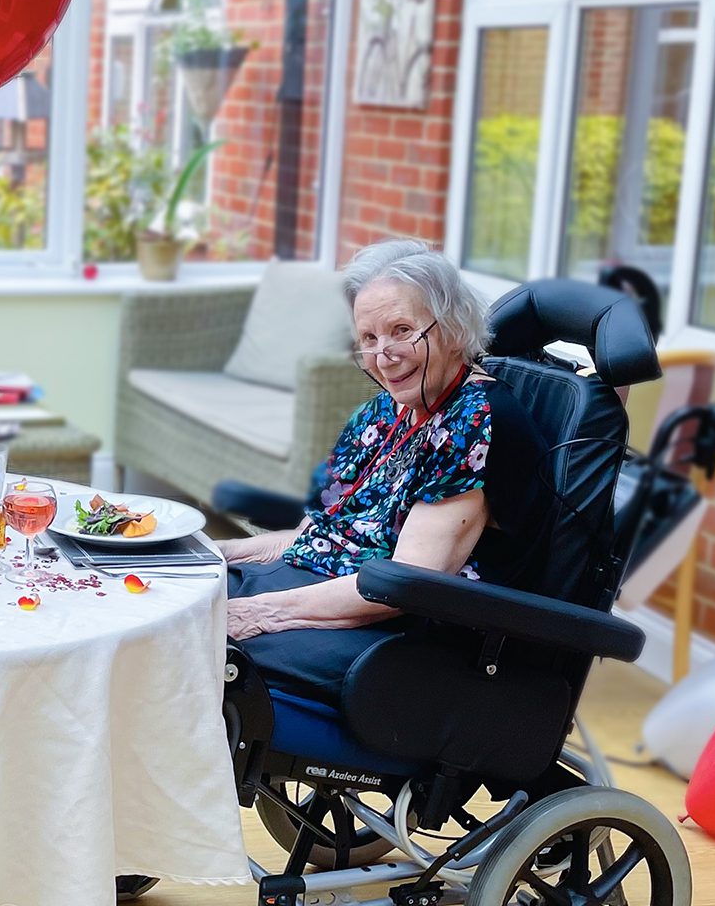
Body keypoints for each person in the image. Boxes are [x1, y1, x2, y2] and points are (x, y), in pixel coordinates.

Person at [216, 237, 538, 697]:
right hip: (322, 589)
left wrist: (259, 613)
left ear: (451, 328)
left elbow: (408, 583)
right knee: (180, 588)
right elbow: (315, 534)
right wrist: (212, 552)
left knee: (201, 645)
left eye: (402, 329)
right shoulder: (383, 412)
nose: (383, 354)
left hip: (400, 639)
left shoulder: (475, 421)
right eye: (369, 338)